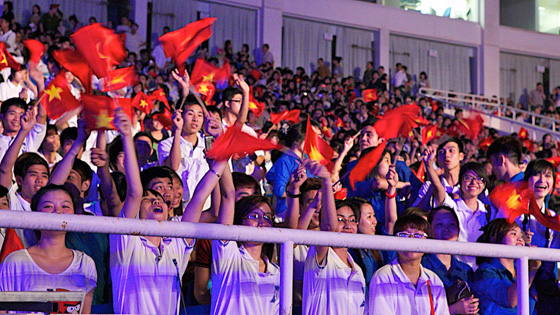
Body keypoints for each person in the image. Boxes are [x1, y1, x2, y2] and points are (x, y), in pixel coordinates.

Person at [110, 109, 227, 314]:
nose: (157, 199)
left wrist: (223, 150)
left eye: (160, 200)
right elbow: (135, 192)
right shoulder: (126, 239)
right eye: (149, 199)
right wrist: (127, 137)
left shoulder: (176, 243)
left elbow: (199, 197)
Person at [0, 184, 97, 314]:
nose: (58, 211)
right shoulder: (15, 262)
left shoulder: (85, 263)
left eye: (65, 206)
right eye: (48, 206)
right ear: (35, 214)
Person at [369, 214, 450, 315]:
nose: (411, 240)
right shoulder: (383, 277)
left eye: (418, 235)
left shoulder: (434, 280)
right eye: (404, 235)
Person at [425, 147, 489, 268]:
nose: (474, 182)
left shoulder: (488, 211)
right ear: (460, 182)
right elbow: (438, 187)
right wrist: (429, 165)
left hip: (479, 272)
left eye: (479, 179)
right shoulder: (451, 206)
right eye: (468, 178)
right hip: (455, 270)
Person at [473, 219, 540, 315]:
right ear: (495, 238)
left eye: (521, 235)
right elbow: (509, 300)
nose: (520, 239)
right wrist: (531, 271)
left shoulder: (521, 269)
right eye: (513, 234)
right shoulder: (485, 272)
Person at [421, 206, 479, 315]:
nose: (446, 229)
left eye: (452, 224)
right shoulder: (421, 266)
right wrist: (451, 310)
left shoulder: (465, 270)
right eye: (439, 224)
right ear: (429, 230)